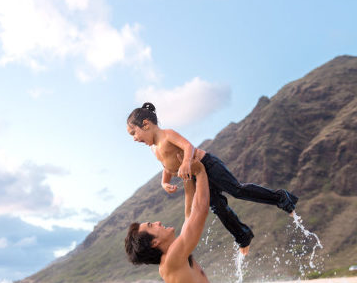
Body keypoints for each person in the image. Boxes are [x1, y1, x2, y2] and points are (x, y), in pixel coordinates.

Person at [126, 102, 298, 254]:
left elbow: (188, 146)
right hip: (196, 178)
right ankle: (243, 235)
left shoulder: (167, 134)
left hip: (208, 164)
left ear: (146, 124)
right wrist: (164, 182)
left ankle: (281, 197)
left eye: (134, 133)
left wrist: (186, 162)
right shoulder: (154, 149)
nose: (134, 139)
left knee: (237, 190)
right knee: (218, 207)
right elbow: (167, 166)